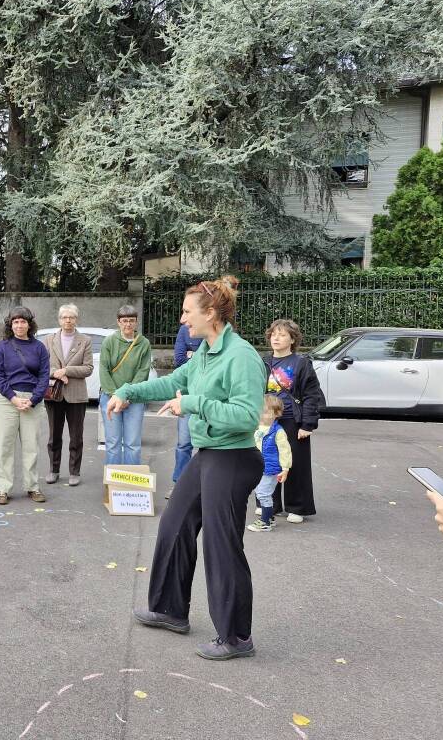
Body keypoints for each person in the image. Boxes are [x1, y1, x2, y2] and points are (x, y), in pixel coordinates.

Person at [108, 277, 265, 660]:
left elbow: (247, 417)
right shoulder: (205, 353)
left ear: (210, 314)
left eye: (187, 312)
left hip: (234, 458)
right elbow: (172, 384)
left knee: (221, 546)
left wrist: (195, 404)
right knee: (175, 523)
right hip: (208, 455)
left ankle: (236, 637)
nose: (182, 320)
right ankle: (169, 610)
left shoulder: (240, 356)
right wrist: (127, 392)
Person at [263, 319, 324, 524]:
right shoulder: (264, 362)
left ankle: (297, 507)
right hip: (268, 421)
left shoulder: (301, 363)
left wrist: (307, 424)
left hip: (293, 420)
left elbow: (311, 394)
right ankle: (269, 503)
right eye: (273, 334)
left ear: (292, 339)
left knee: (295, 464)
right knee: (268, 462)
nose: (276, 338)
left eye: (281, 334)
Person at [0, 306, 49, 506]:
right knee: (4, 447)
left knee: (31, 446)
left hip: (33, 401)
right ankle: (3, 489)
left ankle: (32, 486)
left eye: (23, 321)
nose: (19, 325)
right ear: (10, 325)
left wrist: (33, 399)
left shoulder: (39, 348)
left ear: (29, 324)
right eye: (15, 322)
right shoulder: (2, 347)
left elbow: (44, 376)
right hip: (7, 401)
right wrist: (13, 398)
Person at [43, 304, 93, 487]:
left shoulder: (85, 340)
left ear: (76, 319)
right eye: (64, 317)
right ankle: (53, 470)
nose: (68, 320)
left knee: (76, 436)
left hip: (76, 395)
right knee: (54, 436)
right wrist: (56, 372)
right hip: (53, 394)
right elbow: (42, 366)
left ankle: (74, 471)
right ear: (59, 320)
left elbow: (88, 368)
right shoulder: (49, 339)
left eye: (71, 317)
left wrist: (67, 370)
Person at [100, 305, 152, 466]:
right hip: (110, 397)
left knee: (133, 444)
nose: (128, 324)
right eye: (124, 321)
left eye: (131, 321)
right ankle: (113, 485)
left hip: (134, 399)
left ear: (136, 323)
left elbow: (143, 371)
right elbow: (104, 369)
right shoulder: (109, 341)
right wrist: (115, 395)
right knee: (113, 443)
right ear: (118, 322)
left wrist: (127, 395)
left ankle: (130, 483)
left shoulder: (143, 343)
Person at [246, 395, 291, 533]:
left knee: (263, 494)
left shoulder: (278, 431)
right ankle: (270, 517)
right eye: (260, 411)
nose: (262, 415)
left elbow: (285, 451)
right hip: (258, 467)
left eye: (266, 412)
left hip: (270, 469)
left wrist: (285, 468)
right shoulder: (256, 427)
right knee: (261, 493)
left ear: (277, 413)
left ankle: (265, 522)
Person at [171, 322, 204, 493]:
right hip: (186, 395)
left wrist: (192, 355)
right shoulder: (184, 330)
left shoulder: (218, 331)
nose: (184, 318)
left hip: (208, 397)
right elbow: (179, 359)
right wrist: (197, 358)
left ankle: (203, 488)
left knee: (208, 446)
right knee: (184, 443)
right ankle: (179, 486)